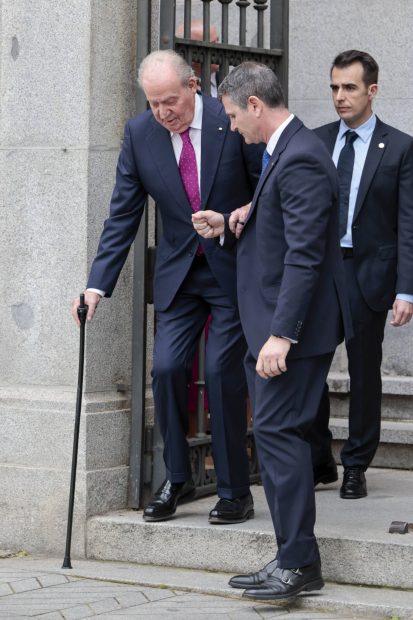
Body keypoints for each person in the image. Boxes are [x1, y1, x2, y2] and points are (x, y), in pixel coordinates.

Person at [71, 50, 264, 524]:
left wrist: (233, 222)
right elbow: (122, 216)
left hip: (231, 268)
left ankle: (235, 491)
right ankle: (176, 478)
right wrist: (96, 286)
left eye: (170, 102)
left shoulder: (231, 119)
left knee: (220, 372)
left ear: (193, 85)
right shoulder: (141, 135)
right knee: (166, 368)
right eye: (154, 103)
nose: (162, 113)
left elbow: (266, 187)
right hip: (180, 275)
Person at [192, 62, 352, 600]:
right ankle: (289, 554)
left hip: (291, 335)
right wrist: (238, 216)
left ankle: (300, 563)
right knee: (278, 438)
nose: (233, 126)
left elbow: (305, 257)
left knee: (281, 439)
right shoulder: (289, 149)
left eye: (234, 115)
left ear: (255, 105)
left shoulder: (301, 155)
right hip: (272, 326)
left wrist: (281, 335)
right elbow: (284, 223)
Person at [310, 50, 413, 499]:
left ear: (371, 90)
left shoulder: (401, 147)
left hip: (368, 274)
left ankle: (355, 464)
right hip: (318, 273)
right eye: (334, 87)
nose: (339, 97)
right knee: (306, 366)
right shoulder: (314, 141)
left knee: (364, 374)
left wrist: (406, 290)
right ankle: (319, 460)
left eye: (349, 87)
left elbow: (408, 225)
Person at [176, 19, 220, 96]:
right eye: (212, 44)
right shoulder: (174, 86)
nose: (220, 49)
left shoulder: (232, 82)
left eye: (218, 41)